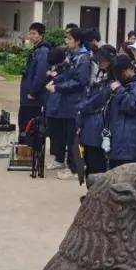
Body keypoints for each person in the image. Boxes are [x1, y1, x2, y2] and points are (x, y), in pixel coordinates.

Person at [45, 28, 90, 174]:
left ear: (77, 41)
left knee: (73, 137)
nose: (67, 41)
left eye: (70, 39)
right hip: (65, 102)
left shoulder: (84, 58)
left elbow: (80, 82)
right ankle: (60, 161)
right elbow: (66, 73)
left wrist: (58, 87)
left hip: (75, 102)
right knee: (61, 133)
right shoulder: (71, 55)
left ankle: (74, 169)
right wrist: (55, 80)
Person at [77, 45, 116, 177]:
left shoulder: (113, 80)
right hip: (89, 124)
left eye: (103, 60)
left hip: (99, 126)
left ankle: (97, 194)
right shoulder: (100, 76)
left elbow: (97, 101)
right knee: (88, 160)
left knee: (97, 163)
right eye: (98, 60)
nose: (100, 62)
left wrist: (83, 106)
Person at [103, 54, 136, 168]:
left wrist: (119, 90)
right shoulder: (122, 85)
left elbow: (134, 105)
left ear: (127, 70)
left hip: (130, 146)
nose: (117, 77)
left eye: (119, 73)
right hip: (117, 142)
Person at [18, 22, 51, 140]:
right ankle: (24, 151)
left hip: (33, 99)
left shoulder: (43, 51)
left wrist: (33, 92)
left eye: (34, 33)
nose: (31, 36)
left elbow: (40, 75)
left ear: (41, 36)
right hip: (27, 97)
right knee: (23, 124)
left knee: (28, 126)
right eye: (30, 33)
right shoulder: (35, 49)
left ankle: (28, 152)